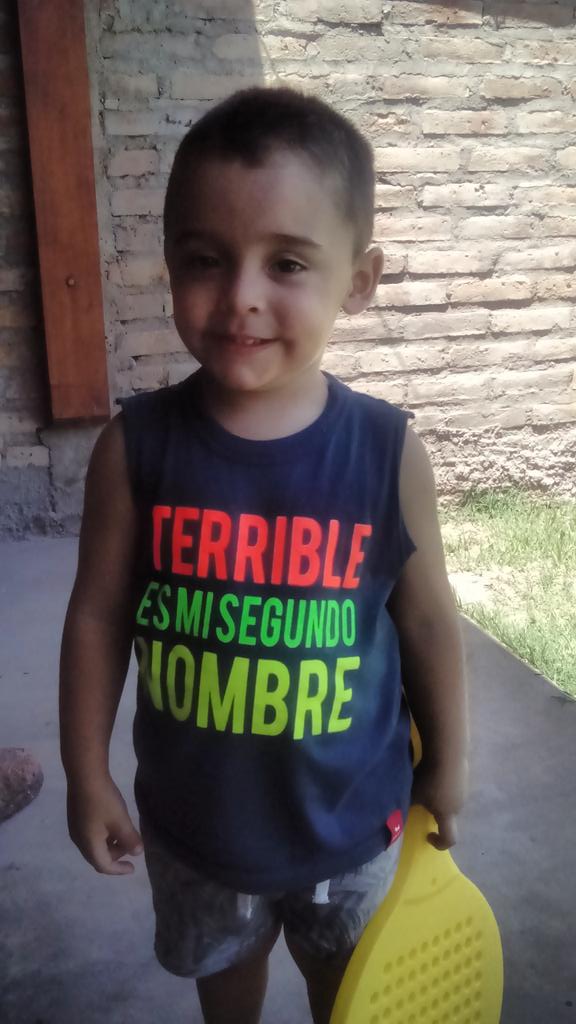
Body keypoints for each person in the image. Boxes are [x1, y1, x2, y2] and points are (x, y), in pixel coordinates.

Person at [59, 86, 468, 1024]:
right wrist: (87, 772)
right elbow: (96, 618)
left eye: (286, 262)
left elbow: (427, 620)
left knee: (349, 995)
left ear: (358, 280)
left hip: (352, 823)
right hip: (198, 829)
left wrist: (450, 760)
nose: (241, 294)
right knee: (227, 988)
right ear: (170, 264)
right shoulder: (135, 449)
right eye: (206, 259)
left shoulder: (387, 453)